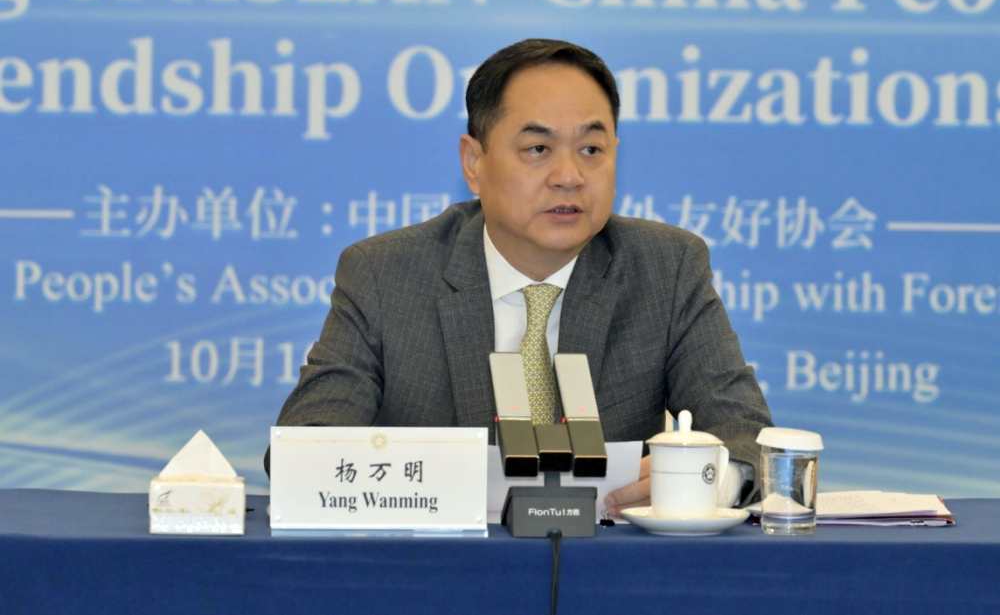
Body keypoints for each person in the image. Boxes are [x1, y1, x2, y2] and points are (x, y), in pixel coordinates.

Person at [268, 38, 772, 512]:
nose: (569, 176)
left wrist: (710, 481)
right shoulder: (386, 275)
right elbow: (304, 446)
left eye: (591, 150)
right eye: (538, 149)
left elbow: (746, 435)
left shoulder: (665, 268)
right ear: (474, 162)